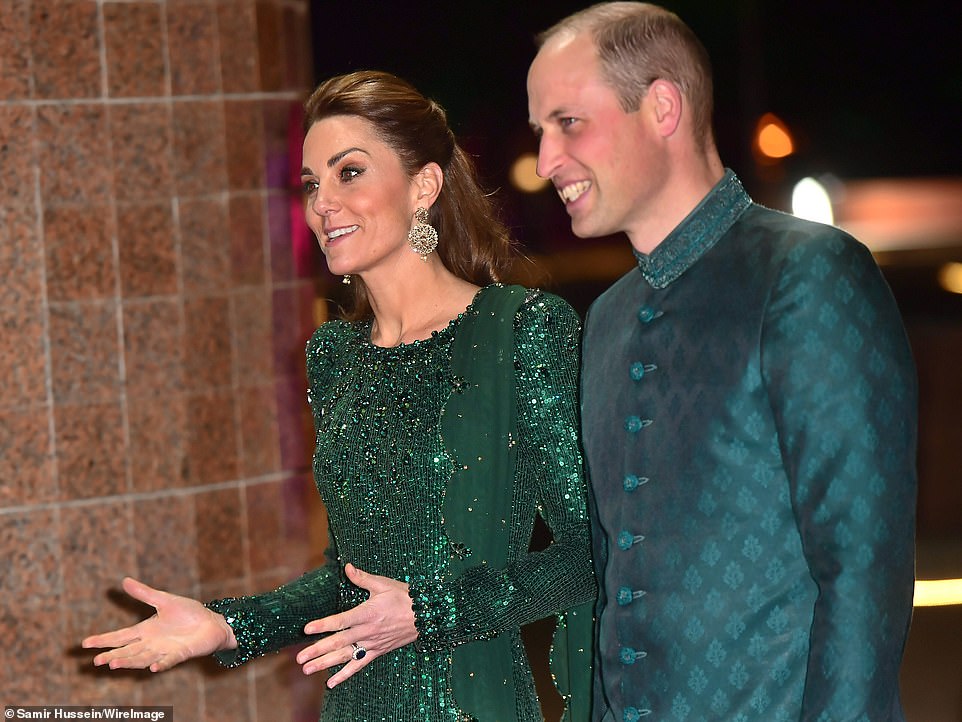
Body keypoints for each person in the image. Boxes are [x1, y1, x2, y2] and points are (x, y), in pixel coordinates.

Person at [83, 70, 596, 722]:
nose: (322, 202)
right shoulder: (333, 357)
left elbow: (589, 553)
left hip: (471, 704)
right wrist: (229, 625)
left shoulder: (521, 329)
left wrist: (430, 612)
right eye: (310, 184)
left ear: (424, 187)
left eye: (349, 172)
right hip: (354, 703)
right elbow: (346, 580)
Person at [527, 3, 918, 721]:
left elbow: (864, 576)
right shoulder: (607, 320)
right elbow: (614, 581)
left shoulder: (809, 275)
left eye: (568, 122)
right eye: (540, 132)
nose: (548, 159)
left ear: (663, 107)